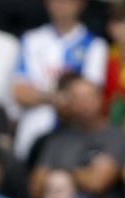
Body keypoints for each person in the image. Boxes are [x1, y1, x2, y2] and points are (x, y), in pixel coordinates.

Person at [32, 75, 125, 198]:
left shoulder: (117, 137)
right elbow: (36, 188)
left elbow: (97, 182)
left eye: (89, 97)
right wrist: (83, 174)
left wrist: (60, 174)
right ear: (69, 103)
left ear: (101, 98)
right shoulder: (57, 139)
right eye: (77, 98)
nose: (84, 103)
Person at [12, 0, 108, 160]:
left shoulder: (95, 45)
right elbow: (20, 94)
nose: (61, 4)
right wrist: (59, 98)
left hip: (75, 135)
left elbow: (89, 100)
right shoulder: (30, 40)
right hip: (32, 130)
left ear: (80, 4)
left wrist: (39, 95)